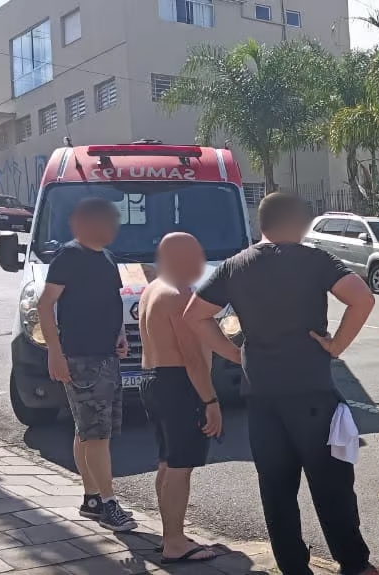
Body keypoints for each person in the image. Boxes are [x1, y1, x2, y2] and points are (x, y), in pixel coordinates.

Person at [182, 192, 379, 575]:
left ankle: (293, 567)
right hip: (312, 393)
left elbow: (195, 316)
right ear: (297, 223)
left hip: (261, 396)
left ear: (261, 222)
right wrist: (336, 345)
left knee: (276, 488)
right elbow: (362, 299)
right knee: (332, 484)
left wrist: (233, 353)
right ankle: (355, 565)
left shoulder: (235, 266)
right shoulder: (315, 259)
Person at [36, 197, 137, 532]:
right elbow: (45, 305)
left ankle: (92, 499)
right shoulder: (69, 256)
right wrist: (55, 352)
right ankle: (108, 503)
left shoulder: (107, 257)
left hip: (106, 356)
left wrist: (120, 334)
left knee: (88, 431)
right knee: (97, 436)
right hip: (80, 357)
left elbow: (112, 300)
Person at [139, 232, 231, 564]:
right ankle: (175, 542)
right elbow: (192, 357)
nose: (200, 262)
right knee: (180, 466)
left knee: (168, 461)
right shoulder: (179, 295)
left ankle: (171, 534)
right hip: (178, 384)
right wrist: (211, 402)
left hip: (153, 380)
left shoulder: (152, 289)